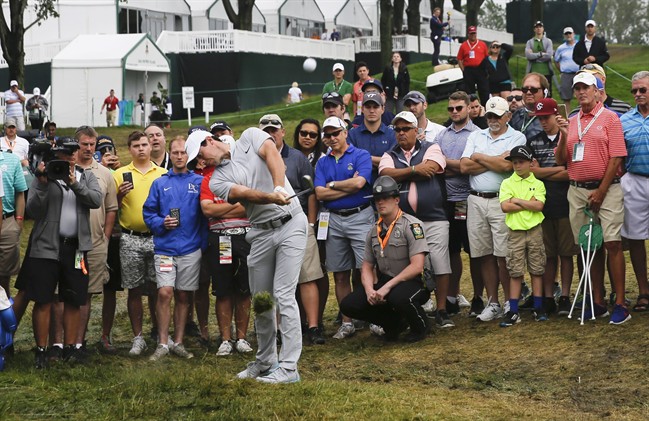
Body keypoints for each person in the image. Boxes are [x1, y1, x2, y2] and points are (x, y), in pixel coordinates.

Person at [189, 127, 308, 384]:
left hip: (291, 224)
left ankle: (289, 368)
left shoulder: (251, 136)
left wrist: (279, 187)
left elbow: (273, 156)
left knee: (284, 295)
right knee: (263, 299)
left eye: (200, 156)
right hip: (261, 233)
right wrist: (270, 197)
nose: (201, 163)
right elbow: (245, 195)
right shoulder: (216, 179)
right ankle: (266, 360)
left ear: (209, 141)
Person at [20, 138, 102, 368]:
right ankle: (41, 350)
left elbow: (95, 200)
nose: (69, 157)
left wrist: (75, 183)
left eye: (72, 152)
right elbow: (33, 210)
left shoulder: (86, 176)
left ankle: (70, 348)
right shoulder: (45, 176)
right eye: (64, 154)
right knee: (43, 299)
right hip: (46, 246)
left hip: (75, 247)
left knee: (74, 299)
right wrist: (44, 183)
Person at [554, 71, 629, 325]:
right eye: (577, 88)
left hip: (607, 189)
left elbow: (617, 156)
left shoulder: (610, 118)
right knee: (588, 247)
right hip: (577, 190)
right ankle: (597, 301)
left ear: (598, 91)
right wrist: (563, 134)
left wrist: (601, 191)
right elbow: (561, 160)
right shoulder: (571, 120)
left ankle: (620, 302)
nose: (581, 92)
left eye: (586, 87)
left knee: (612, 243)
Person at [378, 111, 452, 327]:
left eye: (405, 129)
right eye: (397, 130)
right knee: (406, 265)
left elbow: (433, 168)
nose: (401, 133)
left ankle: (442, 309)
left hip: (434, 216)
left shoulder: (431, 147)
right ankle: (412, 306)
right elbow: (385, 175)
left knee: (439, 262)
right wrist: (414, 169)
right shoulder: (389, 153)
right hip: (404, 221)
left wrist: (402, 172)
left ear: (416, 130)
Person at [340, 176, 431, 342]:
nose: (381, 203)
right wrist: (369, 290)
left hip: (413, 281)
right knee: (348, 304)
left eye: (385, 198)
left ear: (397, 199)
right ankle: (394, 324)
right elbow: (367, 266)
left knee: (399, 297)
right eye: (377, 199)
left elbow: (417, 266)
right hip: (385, 281)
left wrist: (387, 288)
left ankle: (420, 326)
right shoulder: (373, 231)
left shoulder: (412, 226)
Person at [260, 115, 326, 345]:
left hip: (297, 222)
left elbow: (310, 194)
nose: (270, 134)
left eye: (274, 130)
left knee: (307, 277)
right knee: (275, 281)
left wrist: (310, 224)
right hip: (269, 227)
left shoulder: (297, 157)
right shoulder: (256, 160)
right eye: (266, 130)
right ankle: (277, 330)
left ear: (282, 132)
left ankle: (314, 327)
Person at [460, 96, 526, 321]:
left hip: (502, 200)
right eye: (489, 115)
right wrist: (492, 159)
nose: (493, 119)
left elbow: (509, 166)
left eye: (497, 115)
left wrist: (478, 157)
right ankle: (493, 302)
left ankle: (510, 301)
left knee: (503, 254)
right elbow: (463, 166)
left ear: (508, 115)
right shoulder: (475, 135)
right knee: (484, 253)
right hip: (476, 199)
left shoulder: (517, 136)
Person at [143, 137, 205, 361]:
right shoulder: (160, 182)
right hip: (165, 248)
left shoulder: (198, 182)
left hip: (190, 248)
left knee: (183, 295)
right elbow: (148, 212)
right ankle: (162, 342)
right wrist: (161, 223)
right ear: (171, 154)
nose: (179, 156)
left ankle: (178, 341)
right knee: (164, 292)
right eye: (176, 153)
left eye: (183, 153)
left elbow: (206, 213)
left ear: (189, 155)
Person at [314, 116, 374, 340]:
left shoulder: (360, 155)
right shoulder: (322, 161)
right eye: (327, 135)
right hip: (333, 219)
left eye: (335, 133)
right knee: (340, 273)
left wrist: (332, 185)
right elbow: (319, 193)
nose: (331, 138)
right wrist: (346, 186)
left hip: (360, 215)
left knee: (366, 269)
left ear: (345, 132)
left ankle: (373, 316)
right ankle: (347, 321)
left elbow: (360, 184)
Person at [197, 135, 253, 356]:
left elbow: (249, 207)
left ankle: (241, 337)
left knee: (244, 289)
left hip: (245, 236)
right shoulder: (209, 178)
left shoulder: (244, 174)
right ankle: (225, 339)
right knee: (222, 290)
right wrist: (234, 204)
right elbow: (208, 210)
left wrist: (226, 206)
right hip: (219, 238)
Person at [113, 131, 168, 355]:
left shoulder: (163, 173)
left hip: (158, 238)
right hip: (130, 238)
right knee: (134, 289)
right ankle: (138, 337)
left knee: (159, 288)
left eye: (144, 144)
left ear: (150, 146)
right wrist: (118, 195)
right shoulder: (120, 174)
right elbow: (110, 209)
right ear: (130, 149)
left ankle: (159, 332)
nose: (141, 149)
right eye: (136, 145)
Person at [436, 91, 484, 317]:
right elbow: (435, 164)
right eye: (451, 108)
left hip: (470, 198)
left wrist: (448, 164)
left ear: (469, 108)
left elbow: (471, 166)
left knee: (475, 251)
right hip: (446, 200)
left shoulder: (478, 134)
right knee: (451, 251)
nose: (454, 112)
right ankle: (452, 297)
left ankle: (478, 297)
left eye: (459, 108)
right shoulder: (442, 135)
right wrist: (457, 164)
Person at [71, 126, 118, 357]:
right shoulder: (68, 169)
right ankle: (61, 343)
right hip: (70, 241)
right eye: (84, 144)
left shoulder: (105, 174)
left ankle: (79, 342)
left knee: (87, 294)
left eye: (92, 144)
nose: (89, 148)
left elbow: (111, 209)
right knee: (66, 293)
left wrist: (106, 237)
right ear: (76, 144)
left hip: (96, 242)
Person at [527, 98, 576, 316]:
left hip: (565, 201)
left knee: (566, 253)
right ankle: (548, 296)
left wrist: (544, 172)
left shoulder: (569, 136)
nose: (543, 122)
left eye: (546, 117)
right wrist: (557, 171)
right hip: (542, 204)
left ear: (556, 115)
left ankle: (565, 295)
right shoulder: (534, 140)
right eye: (539, 118)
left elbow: (571, 171)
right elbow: (531, 172)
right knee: (547, 254)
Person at [499, 145, 547, 326]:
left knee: (536, 268)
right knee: (516, 270)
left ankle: (538, 306)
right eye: (514, 163)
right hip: (515, 231)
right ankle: (513, 310)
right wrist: (528, 203)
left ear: (530, 163)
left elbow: (539, 206)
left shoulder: (538, 184)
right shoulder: (507, 183)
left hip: (534, 230)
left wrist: (517, 200)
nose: (517, 166)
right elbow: (505, 207)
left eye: (521, 162)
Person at [293, 119, 329, 330]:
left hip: (320, 219)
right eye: (304, 133)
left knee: (317, 271)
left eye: (313, 134)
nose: (307, 137)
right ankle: (299, 319)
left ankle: (318, 319)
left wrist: (312, 224)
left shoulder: (324, 159)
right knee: (295, 274)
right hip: (293, 221)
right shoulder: (286, 157)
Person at [620, 71, 649, 313]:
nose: (638, 94)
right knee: (636, 238)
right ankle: (644, 291)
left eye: (643, 90)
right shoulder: (624, 120)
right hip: (635, 180)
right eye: (635, 91)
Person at [348, 92, 396, 183]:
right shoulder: (352, 134)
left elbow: (394, 162)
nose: (372, 110)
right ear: (362, 109)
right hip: (359, 187)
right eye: (368, 107)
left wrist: (364, 158)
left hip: (387, 187)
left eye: (375, 107)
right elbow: (350, 162)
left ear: (383, 109)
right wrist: (381, 161)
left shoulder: (392, 134)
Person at [0, 145, 27, 299]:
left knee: (4, 276)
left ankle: (4, 316)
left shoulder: (11, 160)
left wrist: (19, 220)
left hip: (7, 221)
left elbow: (20, 192)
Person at [510, 73, 549, 141]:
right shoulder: (516, 115)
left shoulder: (551, 116)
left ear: (545, 92)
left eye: (533, 90)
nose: (528, 92)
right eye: (525, 89)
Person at [457, 26, 489, 106]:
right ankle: (471, 106)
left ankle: (485, 106)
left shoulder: (482, 44)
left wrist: (487, 69)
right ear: (468, 34)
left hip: (480, 69)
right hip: (469, 69)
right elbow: (459, 59)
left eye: (474, 33)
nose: (473, 35)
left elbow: (487, 57)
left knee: (483, 89)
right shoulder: (464, 45)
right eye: (471, 34)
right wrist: (463, 70)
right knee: (469, 90)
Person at [525, 21, 554, 98]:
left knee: (547, 94)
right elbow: (528, 56)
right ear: (534, 29)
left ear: (543, 28)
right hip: (533, 72)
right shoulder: (530, 42)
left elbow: (549, 55)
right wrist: (540, 54)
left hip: (546, 72)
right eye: (537, 27)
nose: (538, 29)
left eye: (540, 27)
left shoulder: (548, 41)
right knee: (534, 93)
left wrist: (534, 57)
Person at [554, 27, 579, 109]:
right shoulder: (561, 48)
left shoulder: (579, 45)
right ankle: (568, 117)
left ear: (573, 34)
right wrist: (561, 70)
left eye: (570, 33)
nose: (568, 35)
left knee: (581, 96)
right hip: (566, 75)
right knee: (566, 98)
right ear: (564, 36)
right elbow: (556, 60)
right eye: (566, 34)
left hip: (579, 74)